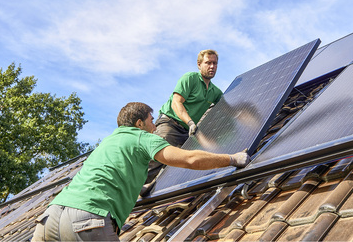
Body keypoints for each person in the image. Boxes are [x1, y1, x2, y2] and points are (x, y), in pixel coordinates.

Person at [31, 102, 250, 241]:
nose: (155, 127)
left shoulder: (108, 142)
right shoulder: (141, 137)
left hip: (49, 218)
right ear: (139, 123)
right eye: (151, 121)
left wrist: (140, 186)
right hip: (87, 218)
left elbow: (112, 174)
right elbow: (189, 158)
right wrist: (232, 158)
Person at [155, 49, 223, 147]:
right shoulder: (190, 78)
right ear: (199, 65)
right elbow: (176, 103)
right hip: (170, 124)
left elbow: (228, 109)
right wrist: (190, 123)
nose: (212, 66)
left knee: (191, 159)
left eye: (214, 63)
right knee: (159, 155)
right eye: (208, 63)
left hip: (188, 132)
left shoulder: (215, 92)